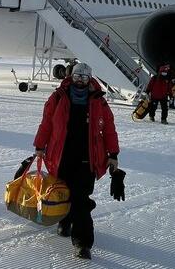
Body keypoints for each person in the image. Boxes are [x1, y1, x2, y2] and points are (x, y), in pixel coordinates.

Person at [33, 62, 120, 260]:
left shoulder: (99, 101)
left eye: (84, 77)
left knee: (81, 200)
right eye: (77, 76)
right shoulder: (57, 97)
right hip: (61, 155)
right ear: (71, 76)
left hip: (87, 159)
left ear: (90, 79)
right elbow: (46, 123)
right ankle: (65, 220)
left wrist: (113, 154)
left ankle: (82, 243)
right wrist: (40, 146)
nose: (80, 80)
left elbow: (109, 129)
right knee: (62, 192)